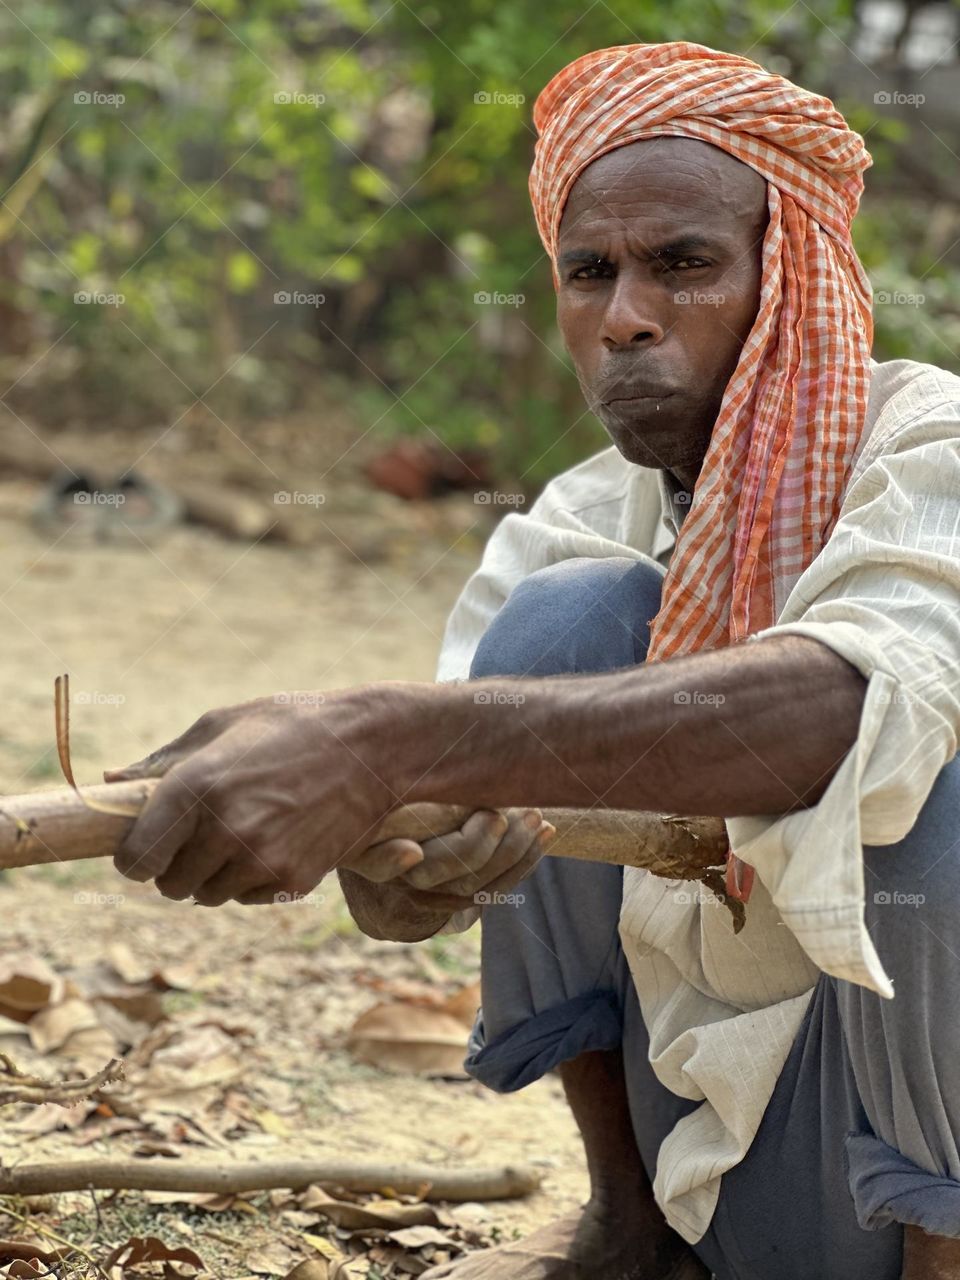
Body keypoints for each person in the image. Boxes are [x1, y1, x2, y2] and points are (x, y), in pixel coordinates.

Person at [108, 42, 960, 1280]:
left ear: (790, 276)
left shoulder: (930, 448)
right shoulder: (579, 520)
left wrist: (383, 737)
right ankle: (627, 1230)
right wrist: (403, 855)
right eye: (589, 272)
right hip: (747, 1172)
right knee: (561, 633)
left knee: (930, 771)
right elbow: (424, 857)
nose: (625, 315)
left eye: (683, 264)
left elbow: (844, 709)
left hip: (921, 1149)